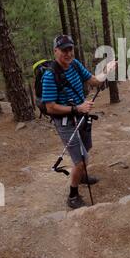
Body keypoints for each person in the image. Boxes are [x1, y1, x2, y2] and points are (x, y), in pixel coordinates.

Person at [42, 34, 116, 209]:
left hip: (82, 116)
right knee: (81, 160)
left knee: (86, 148)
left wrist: (107, 71)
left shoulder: (75, 64)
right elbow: (50, 107)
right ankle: (73, 195)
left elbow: (94, 81)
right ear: (55, 51)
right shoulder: (50, 76)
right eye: (63, 50)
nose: (68, 53)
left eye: (70, 49)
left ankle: (81, 177)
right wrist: (77, 108)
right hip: (66, 122)